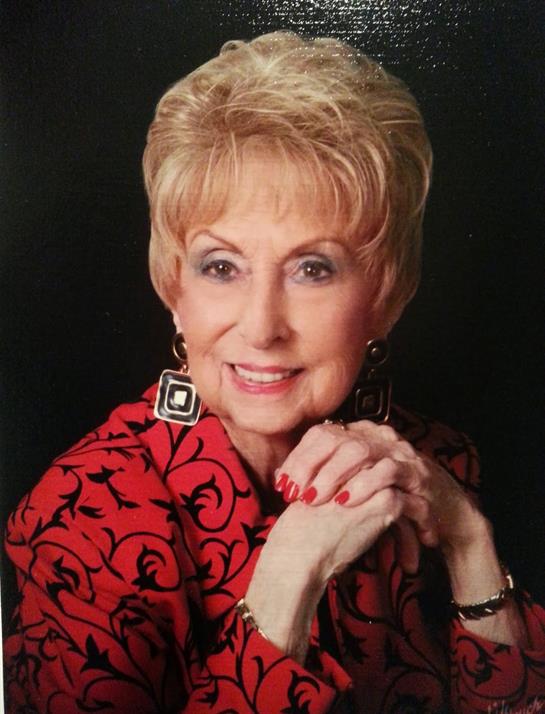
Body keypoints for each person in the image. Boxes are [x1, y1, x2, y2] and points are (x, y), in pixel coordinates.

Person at [3, 31, 545, 713]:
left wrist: (467, 541)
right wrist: (289, 579)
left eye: (312, 268)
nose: (261, 327)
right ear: (174, 289)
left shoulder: (437, 464)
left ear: (387, 295)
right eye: (221, 266)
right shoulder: (83, 519)